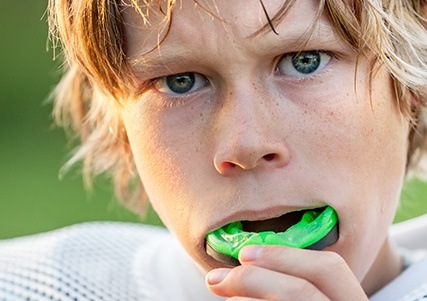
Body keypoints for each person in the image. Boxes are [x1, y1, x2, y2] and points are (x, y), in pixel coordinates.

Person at [1, 0, 427, 300]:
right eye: (180, 81)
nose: (245, 144)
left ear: (411, 85)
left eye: (305, 60)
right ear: (121, 125)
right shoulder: (35, 284)